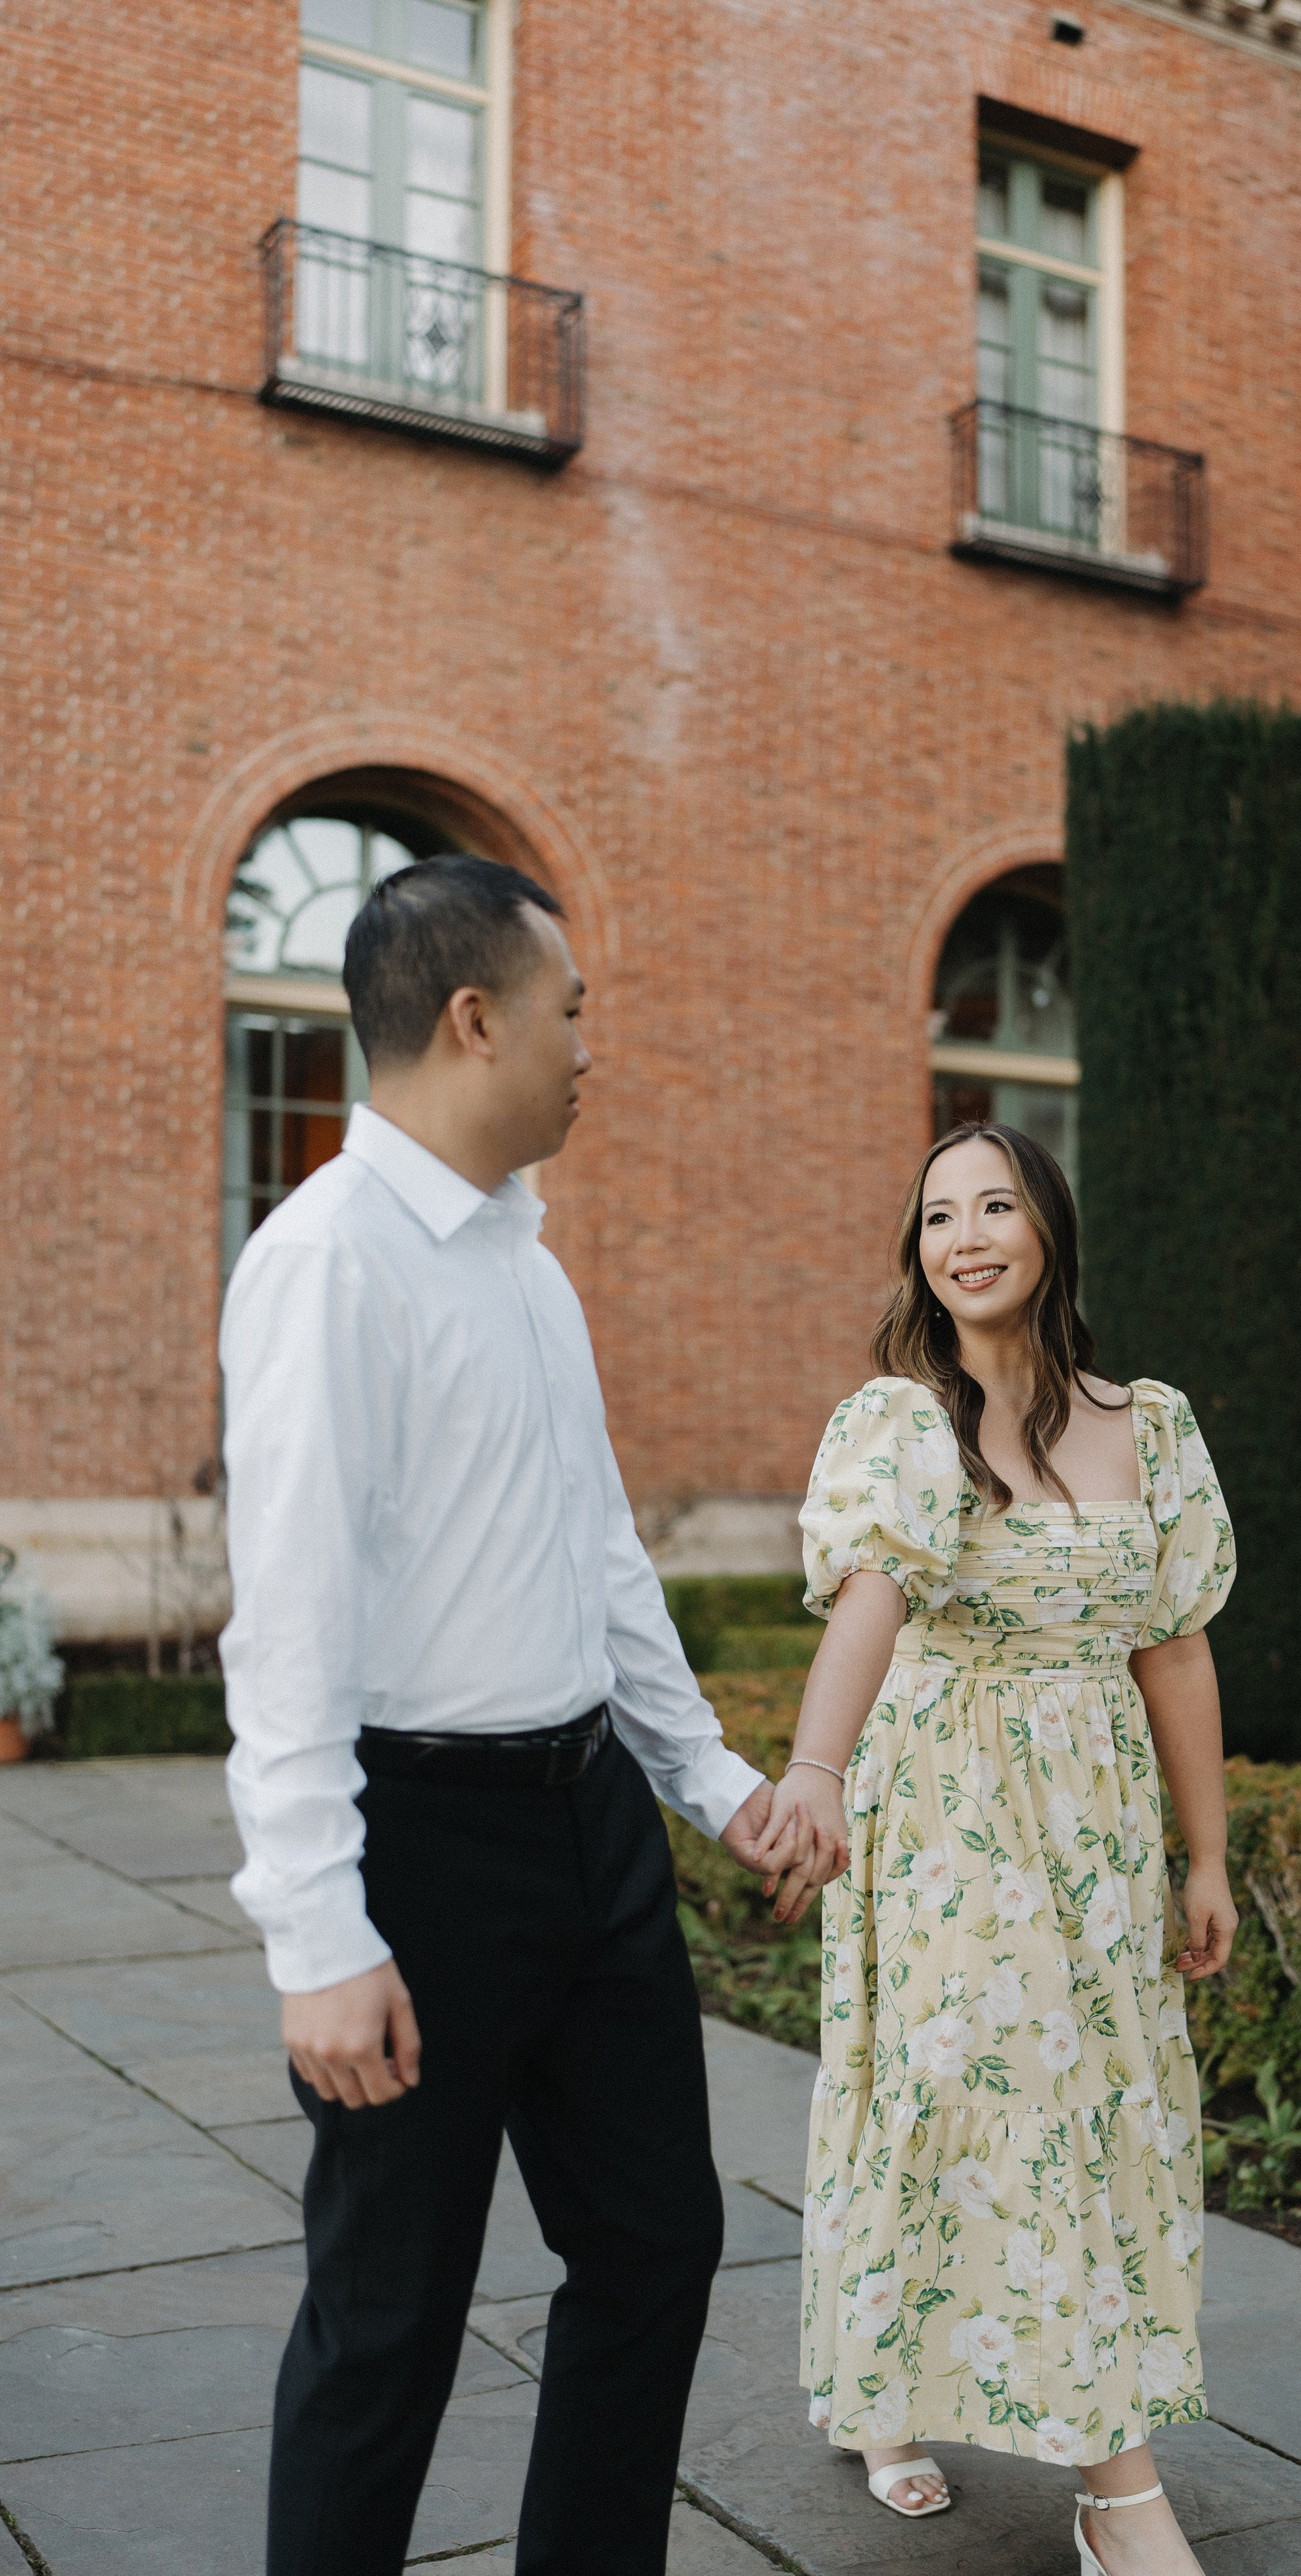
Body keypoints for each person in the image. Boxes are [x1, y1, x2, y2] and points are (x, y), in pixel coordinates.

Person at [218, 853, 785, 2576]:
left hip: (589, 1828)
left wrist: (711, 1783)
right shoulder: (326, 1266)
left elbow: (597, 1556)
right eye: (572, 1013)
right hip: (420, 1853)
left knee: (655, 2247)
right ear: (475, 1019)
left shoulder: (530, 1268)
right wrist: (318, 1933)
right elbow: (290, 1629)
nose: (586, 1048)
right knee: (390, 2321)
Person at [755, 1122, 1239, 2576]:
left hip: (1092, 1823)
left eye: (994, 1206)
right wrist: (814, 1770)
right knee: (986, 2103)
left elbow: (1174, 1651)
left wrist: (1200, 1859)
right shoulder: (903, 1421)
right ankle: (1116, 2498)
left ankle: (891, 2383)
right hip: (949, 1816)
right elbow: (867, 1601)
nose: (963, 1237)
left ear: (1047, 1231)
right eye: (935, 1217)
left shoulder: (1144, 1423)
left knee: (1099, 2112)